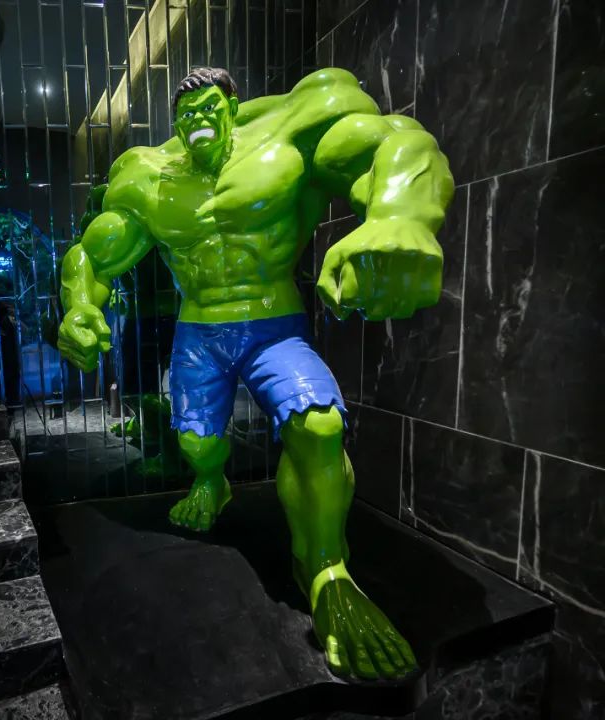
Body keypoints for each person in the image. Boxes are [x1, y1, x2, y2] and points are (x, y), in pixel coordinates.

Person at [56, 66, 454, 680]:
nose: (196, 120)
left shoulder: (290, 130)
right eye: (185, 113)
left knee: (318, 426)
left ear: (231, 106)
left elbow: (395, 140)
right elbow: (93, 251)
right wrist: (80, 305)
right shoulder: (148, 174)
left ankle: (325, 568)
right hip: (198, 333)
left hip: (274, 326)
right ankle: (211, 481)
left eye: (208, 107)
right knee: (196, 444)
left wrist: (398, 213)